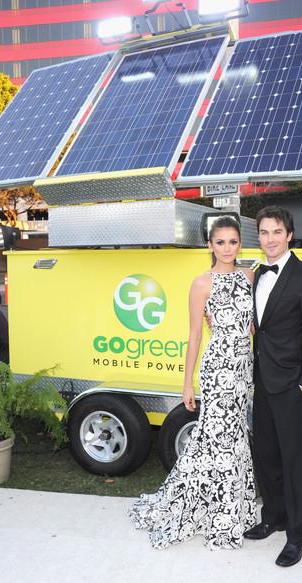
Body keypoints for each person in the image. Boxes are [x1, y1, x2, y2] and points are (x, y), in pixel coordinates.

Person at [129, 216, 257, 549]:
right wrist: (187, 384)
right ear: (210, 246)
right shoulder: (202, 283)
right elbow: (195, 334)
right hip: (217, 370)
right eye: (220, 242)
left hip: (244, 370)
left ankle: (232, 507)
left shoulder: (249, 277)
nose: (227, 248)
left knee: (235, 436)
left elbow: (255, 327)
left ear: (239, 244)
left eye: (232, 241)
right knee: (219, 437)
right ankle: (223, 516)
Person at [244, 206, 302, 567]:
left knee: (294, 463)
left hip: (293, 386)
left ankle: (297, 536)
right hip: (262, 382)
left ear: (289, 235)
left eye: (277, 232)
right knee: (266, 455)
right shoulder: (256, 274)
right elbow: (260, 329)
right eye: (264, 232)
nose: (270, 239)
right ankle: (274, 517)